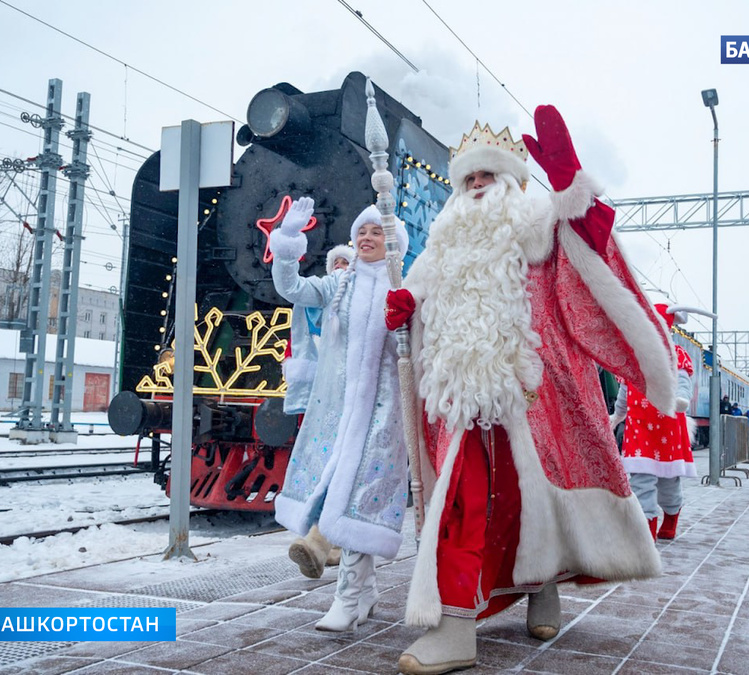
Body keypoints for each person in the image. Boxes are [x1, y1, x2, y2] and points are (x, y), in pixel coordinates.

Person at [385, 107, 675, 674]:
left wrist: (572, 192)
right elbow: (420, 305)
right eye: (468, 177)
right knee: (463, 509)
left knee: (535, 501)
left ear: (514, 183)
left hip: (537, 398)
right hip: (462, 406)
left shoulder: (538, 226)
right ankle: (455, 627)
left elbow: (591, 259)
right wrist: (407, 309)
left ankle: (545, 584)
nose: (475, 186)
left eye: (485, 176)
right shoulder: (440, 250)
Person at [269, 199, 410, 631]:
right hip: (336, 411)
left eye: (376, 233)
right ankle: (360, 593)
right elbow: (291, 289)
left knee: (359, 497)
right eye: (361, 233)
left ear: (393, 243)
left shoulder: (403, 285)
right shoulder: (339, 284)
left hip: (383, 414)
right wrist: (288, 242)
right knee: (338, 495)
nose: (367, 239)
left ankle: (350, 597)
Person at [281, 244, 354, 579]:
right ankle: (324, 542)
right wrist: (285, 249)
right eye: (334, 262)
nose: (339, 265)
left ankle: (324, 542)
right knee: (329, 465)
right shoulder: (324, 291)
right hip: (328, 394)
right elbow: (292, 288)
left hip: (360, 391)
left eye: (345, 261)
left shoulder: (368, 291)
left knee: (346, 468)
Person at [610, 304, 696, 541]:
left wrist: (681, 400)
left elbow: (683, 382)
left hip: (667, 428)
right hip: (639, 429)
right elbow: (625, 391)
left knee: (669, 482)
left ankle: (671, 516)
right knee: (641, 480)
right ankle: (647, 528)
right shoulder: (633, 358)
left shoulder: (676, 355)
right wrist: (617, 415)